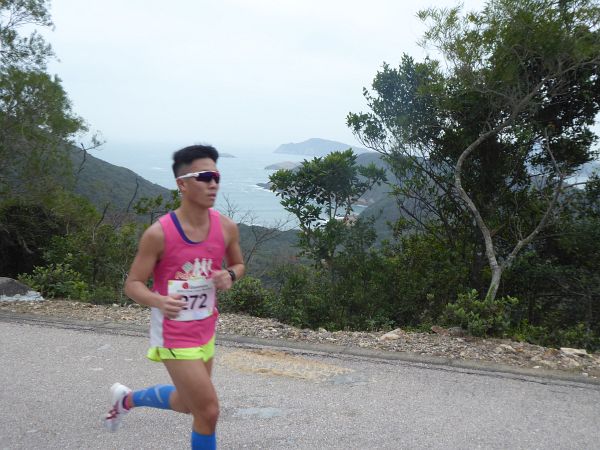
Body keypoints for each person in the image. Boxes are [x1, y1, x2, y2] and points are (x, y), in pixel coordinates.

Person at [104, 144, 244, 450]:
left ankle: (126, 399)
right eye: (204, 177)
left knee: (186, 404)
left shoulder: (226, 227)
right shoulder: (159, 234)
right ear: (182, 184)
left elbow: (238, 264)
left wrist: (230, 275)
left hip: (205, 328)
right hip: (173, 333)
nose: (213, 183)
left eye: (216, 176)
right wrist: (158, 301)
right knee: (208, 412)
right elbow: (133, 284)